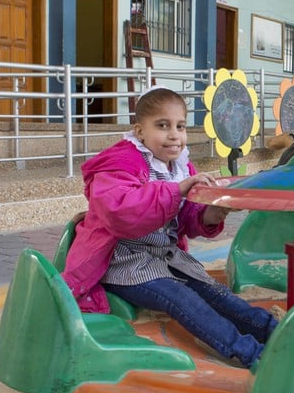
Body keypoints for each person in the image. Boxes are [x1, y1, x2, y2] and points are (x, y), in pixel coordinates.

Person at [61, 86, 277, 368]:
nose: (174, 135)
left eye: (180, 126)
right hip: (122, 262)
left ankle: (272, 330)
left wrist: (212, 213)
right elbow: (120, 212)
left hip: (164, 258)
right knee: (182, 298)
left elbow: (186, 218)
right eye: (162, 126)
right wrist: (177, 191)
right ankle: (249, 352)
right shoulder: (118, 164)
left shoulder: (179, 166)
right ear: (140, 131)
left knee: (213, 290)